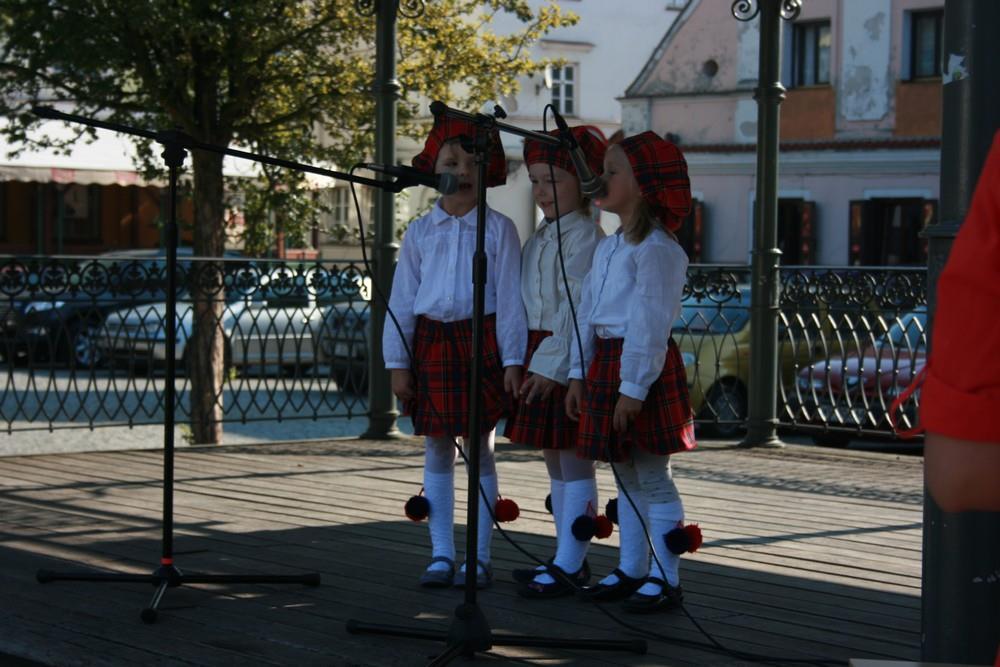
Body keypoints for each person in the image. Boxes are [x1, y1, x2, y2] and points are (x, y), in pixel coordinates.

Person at [383, 114, 526, 589]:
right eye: (450, 160)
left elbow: (509, 299)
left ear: (488, 172)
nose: (461, 170)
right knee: (437, 446)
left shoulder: (500, 229)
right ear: (432, 169)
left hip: (479, 340)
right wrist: (397, 363)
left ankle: (478, 558)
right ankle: (442, 554)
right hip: (432, 343)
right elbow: (402, 300)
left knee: (480, 447)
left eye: (470, 162)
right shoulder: (421, 233)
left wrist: (511, 360)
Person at [566, 131, 698, 613]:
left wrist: (633, 389)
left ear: (643, 185)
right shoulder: (609, 246)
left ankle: (666, 577)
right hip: (607, 364)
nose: (601, 178)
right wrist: (578, 373)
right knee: (624, 473)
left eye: (614, 170)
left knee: (651, 472)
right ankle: (631, 568)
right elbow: (587, 313)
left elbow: (649, 323)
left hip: (638, 369)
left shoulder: (657, 249)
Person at [505, 126, 607, 598]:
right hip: (538, 351)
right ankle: (565, 555)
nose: (542, 191)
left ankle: (572, 560)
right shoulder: (542, 237)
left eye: (553, 181)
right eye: (537, 180)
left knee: (573, 457)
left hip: (568, 357)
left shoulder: (585, 237)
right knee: (555, 459)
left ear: (582, 183)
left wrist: (553, 366)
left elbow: (577, 306)